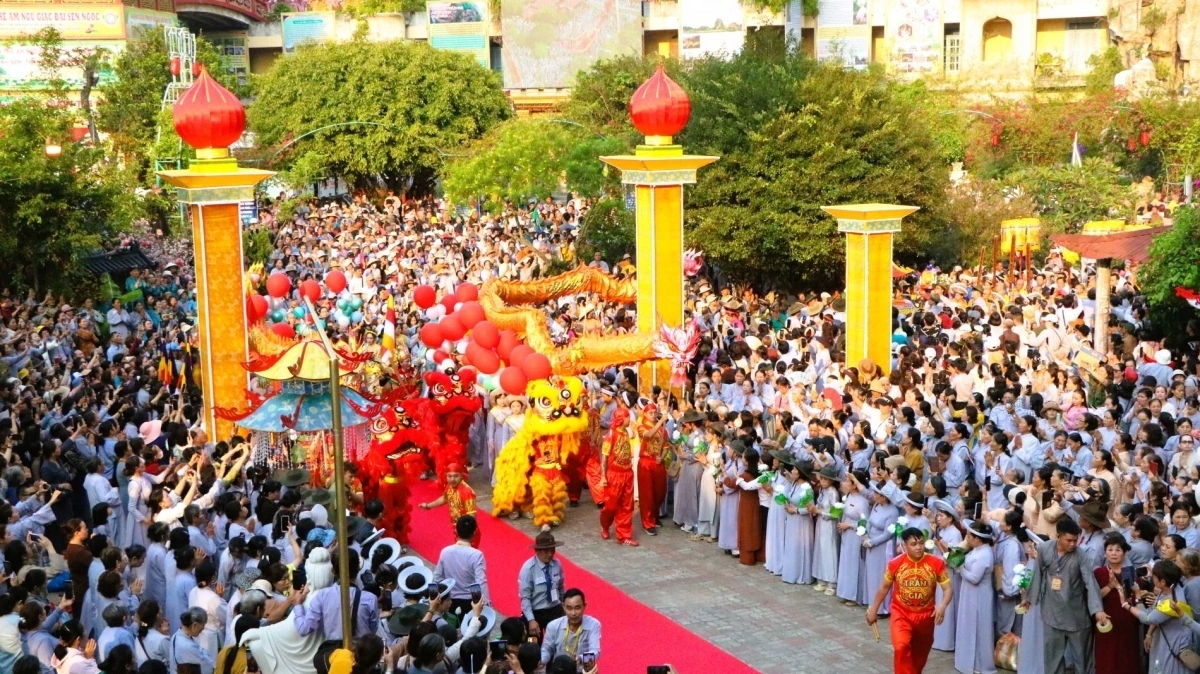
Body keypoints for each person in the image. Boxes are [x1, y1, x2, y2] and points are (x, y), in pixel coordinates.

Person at [1022, 517, 1109, 674]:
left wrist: (1098, 610)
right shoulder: (1044, 549)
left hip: (1077, 616)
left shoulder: (1080, 555)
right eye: (1069, 540)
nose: (1073, 544)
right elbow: (1037, 575)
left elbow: (1090, 582)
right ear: (1058, 536)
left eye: (1075, 540)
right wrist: (1029, 599)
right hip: (1051, 613)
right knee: (1052, 660)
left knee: (1082, 661)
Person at [865, 527, 952, 674]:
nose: (918, 547)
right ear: (904, 545)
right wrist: (874, 609)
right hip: (901, 613)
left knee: (920, 655)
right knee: (901, 647)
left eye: (921, 543)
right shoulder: (895, 563)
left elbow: (948, 589)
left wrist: (942, 605)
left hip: (926, 616)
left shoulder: (936, 563)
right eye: (913, 544)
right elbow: (884, 588)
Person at [954, 521, 995, 674]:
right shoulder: (977, 550)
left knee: (978, 627)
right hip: (969, 593)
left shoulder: (984, 554)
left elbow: (974, 578)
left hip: (979, 596)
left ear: (977, 539)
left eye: (969, 536)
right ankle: (966, 660)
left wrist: (959, 568)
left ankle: (978, 663)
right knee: (969, 624)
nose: (967, 538)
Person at [433, 515, 489, 618]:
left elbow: (437, 578)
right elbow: (481, 582)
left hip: (449, 601)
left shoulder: (445, 552)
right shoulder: (476, 555)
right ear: (474, 533)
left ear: (456, 531)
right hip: (470, 604)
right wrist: (486, 606)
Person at [598, 407, 637, 547]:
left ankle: (624, 535)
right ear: (621, 418)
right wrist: (603, 476)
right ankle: (605, 525)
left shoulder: (626, 432)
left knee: (627, 506)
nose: (629, 420)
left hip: (627, 474)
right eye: (627, 417)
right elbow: (605, 457)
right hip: (614, 475)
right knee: (610, 506)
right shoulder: (611, 435)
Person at [518, 531, 565, 642]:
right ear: (537, 551)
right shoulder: (528, 569)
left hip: (554, 610)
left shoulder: (557, 564)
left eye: (552, 550)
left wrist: (564, 606)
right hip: (535, 613)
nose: (550, 554)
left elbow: (561, 587)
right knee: (533, 646)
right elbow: (525, 598)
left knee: (558, 643)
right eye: (546, 551)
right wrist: (531, 620)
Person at [419, 464, 481, 547]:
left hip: (467, 532)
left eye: (456, 476)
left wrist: (466, 534)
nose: (452, 479)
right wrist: (428, 506)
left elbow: (471, 516)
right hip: (458, 530)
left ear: (461, 476)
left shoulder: (467, 492)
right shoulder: (449, 487)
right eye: (449, 476)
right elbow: (444, 499)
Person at [540, 589, 600, 666]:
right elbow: (547, 649)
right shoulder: (553, 626)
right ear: (563, 607)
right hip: (560, 670)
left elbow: (595, 652)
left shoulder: (593, 625)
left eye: (577, 608)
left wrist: (581, 658)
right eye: (569, 608)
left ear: (584, 606)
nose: (573, 613)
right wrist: (542, 660)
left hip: (582, 670)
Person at [170, 608, 215, 674]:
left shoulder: (176, 636)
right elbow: (208, 668)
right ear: (195, 625)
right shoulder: (187, 646)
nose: (203, 628)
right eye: (203, 625)